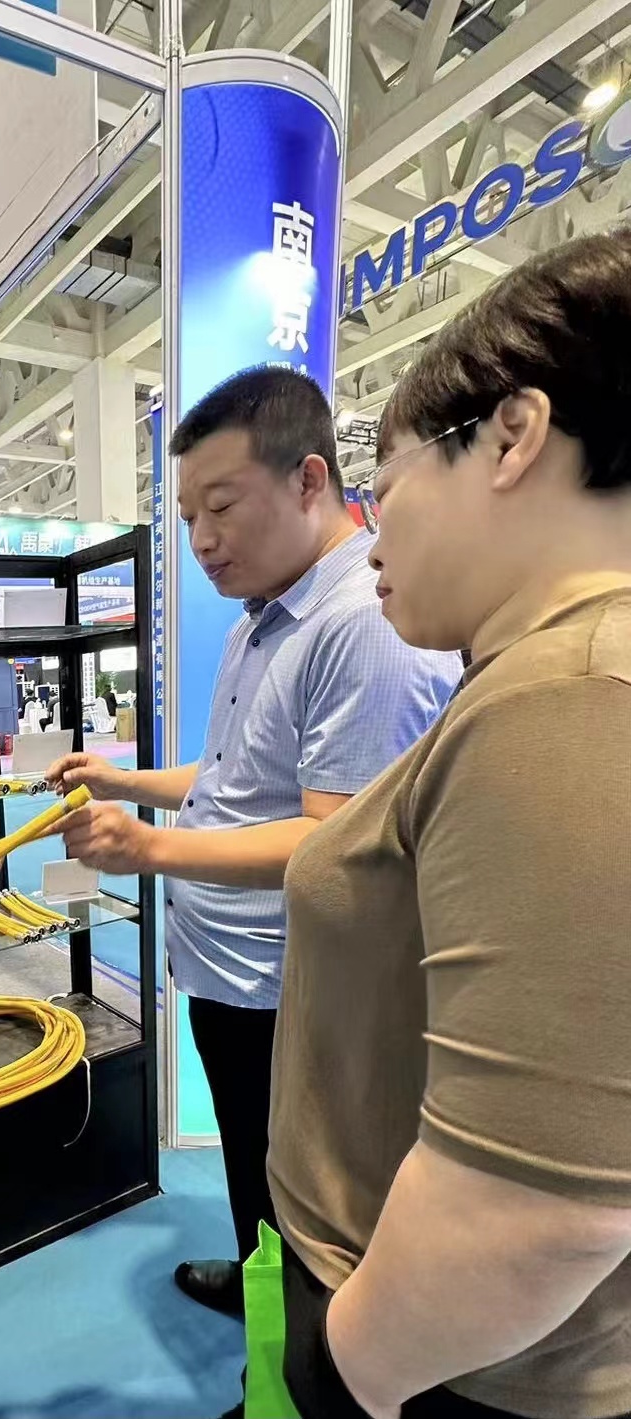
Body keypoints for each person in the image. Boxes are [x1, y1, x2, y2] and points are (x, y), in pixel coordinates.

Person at [269, 230, 631, 1419]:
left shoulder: (566, 694)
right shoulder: (537, 679)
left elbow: (540, 1216)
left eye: (388, 480)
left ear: (513, 437)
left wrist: (347, 1371)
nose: (373, 534)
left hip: (455, 1377)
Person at [48, 368, 461, 1341]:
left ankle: (291, 1372)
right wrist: (126, 783)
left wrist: (148, 847)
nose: (200, 541)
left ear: (309, 479)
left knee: (312, 1206)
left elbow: (334, 837)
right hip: (233, 975)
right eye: (188, 516)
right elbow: (241, 776)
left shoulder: (359, 624)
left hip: (295, 988)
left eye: (221, 507)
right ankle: (259, 1292)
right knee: (257, 1170)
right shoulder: (262, 620)